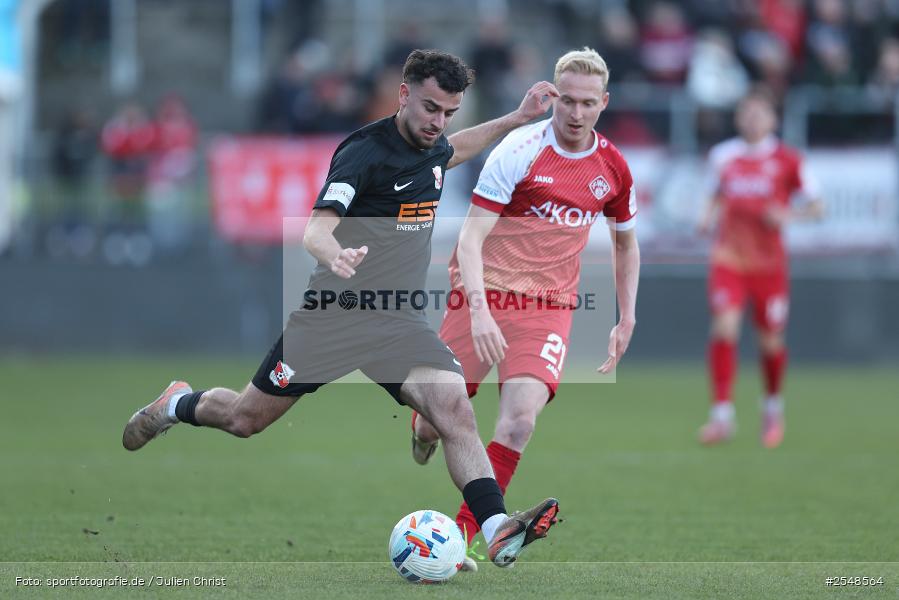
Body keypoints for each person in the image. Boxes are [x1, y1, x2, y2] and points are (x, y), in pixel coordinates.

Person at [122, 50, 561, 568]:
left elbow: (451, 150)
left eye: (448, 112)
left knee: (454, 410)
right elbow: (315, 229)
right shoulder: (363, 152)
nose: (438, 123)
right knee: (244, 419)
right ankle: (175, 404)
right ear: (403, 95)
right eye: (429, 109)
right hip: (333, 315)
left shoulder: (432, 143)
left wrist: (515, 118)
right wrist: (338, 254)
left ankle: (495, 529)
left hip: (397, 322)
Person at [410, 47, 640, 560]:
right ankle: (421, 432)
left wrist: (627, 316)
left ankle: (472, 534)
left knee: (519, 421)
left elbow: (626, 241)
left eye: (587, 103)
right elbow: (469, 240)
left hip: (549, 305)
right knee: (435, 419)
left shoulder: (613, 167)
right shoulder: (519, 150)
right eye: (567, 102)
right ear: (553, 97)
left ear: (603, 102)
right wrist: (480, 312)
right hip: (481, 290)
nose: (576, 114)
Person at [697, 88, 822, 448]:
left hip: (769, 265)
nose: (752, 119)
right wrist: (705, 218)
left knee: (770, 341)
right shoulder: (723, 157)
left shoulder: (788, 159)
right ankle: (721, 416)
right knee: (724, 327)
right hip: (729, 259)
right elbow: (713, 194)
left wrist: (788, 215)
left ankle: (772, 407)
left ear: (773, 119)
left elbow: (817, 207)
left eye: (759, 113)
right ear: (738, 118)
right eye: (746, 113)